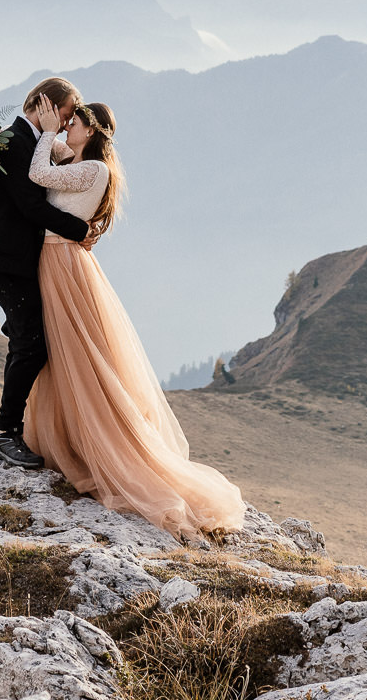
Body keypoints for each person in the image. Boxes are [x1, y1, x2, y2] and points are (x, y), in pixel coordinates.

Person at [23, 93, 246, 539]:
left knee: (78, 353)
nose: (68, 126)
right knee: (61, 352)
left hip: (62, 261)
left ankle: (102, 448)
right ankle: (68, 440)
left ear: (90, 130)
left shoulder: (95, 168)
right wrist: (46, 129)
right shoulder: (78, 158)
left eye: (75, 121)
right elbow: (50, 162)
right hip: (56, 258)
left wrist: (47, 131)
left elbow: (38, 174)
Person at [0, 77, 89, 469]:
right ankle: (5, 434)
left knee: (30, 340)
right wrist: (79, 231)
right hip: (9, 260)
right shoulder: (13, 142)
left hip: (19, 260)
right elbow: (29, 205)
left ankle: (11, 431)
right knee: (31, 344)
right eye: (65, 112)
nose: (66, 121)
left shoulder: (28, 140)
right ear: (45, 106)